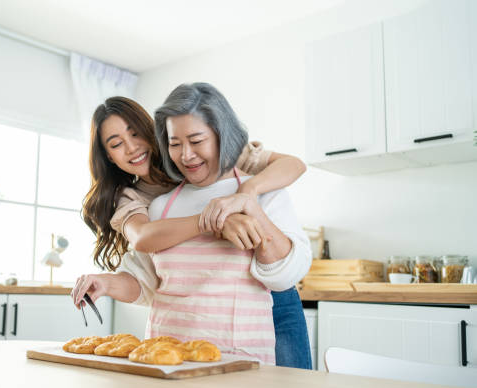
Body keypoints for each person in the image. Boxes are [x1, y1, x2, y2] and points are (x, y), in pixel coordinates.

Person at [74, 84, 312, 366]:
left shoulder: (242, 169)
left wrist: (247, 195)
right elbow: (145, 255)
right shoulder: (143, 202)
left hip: (268, 309)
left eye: (136, 134)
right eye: (115, 144)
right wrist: (213, 221)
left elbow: (294, 164)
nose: (187, 155)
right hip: (181, 340)